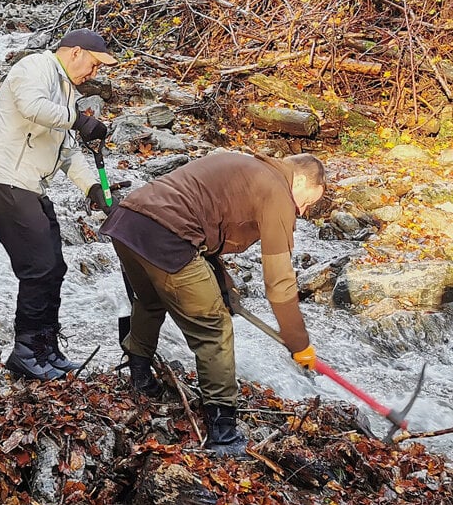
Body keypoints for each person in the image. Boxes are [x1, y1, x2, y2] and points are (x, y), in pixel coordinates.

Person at [99, 152, 327, 457]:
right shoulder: (278, 192)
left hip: (127, 221)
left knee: (151, 301)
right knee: (214, 329)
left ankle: (139, 376)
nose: (302, 210)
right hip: (166, 237)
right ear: (298, 179)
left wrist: (223, 285)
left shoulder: (249, 166)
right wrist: (299, 341)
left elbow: (204, 221)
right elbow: (279, 282)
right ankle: (223, 431)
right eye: (307, 202)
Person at [0, 29, 118, 380]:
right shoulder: (35, 66)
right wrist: (81, 120)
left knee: (54, 266)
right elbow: (32, 107)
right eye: (94, 63)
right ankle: (26, 351)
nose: (94, 73)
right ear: (74, 52)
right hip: (5, 179)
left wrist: (92, 189)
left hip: (30, 185)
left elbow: (67, 152)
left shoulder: (66, 91)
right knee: (37, 267)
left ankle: (46, 345)